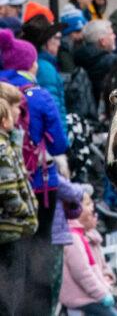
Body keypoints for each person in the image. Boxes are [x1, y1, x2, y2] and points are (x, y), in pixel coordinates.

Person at [0, 30, 71, 314]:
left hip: (7, 190)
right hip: (39, 187)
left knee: (10, 259)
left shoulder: (3, 91)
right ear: (29, 64)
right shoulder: (39, 96)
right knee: (39, 255)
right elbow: (60, 143)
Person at [0, 81, 38, 316]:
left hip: (14, 229)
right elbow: (7, 188)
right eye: (15, 108)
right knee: (9, 296)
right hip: (11, 229)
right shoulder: (2, 149)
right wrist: (25, 211)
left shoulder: (8, 144)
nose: (19, 113)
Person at [60, 189, 117, 316]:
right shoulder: (72, 238)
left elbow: (101, 267)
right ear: (75, 209)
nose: (93, 208)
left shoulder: (87, 235)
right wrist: (102, 294)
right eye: (87, 204)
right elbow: (83, 273)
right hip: (83, 299)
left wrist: (106, 281)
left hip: (95, 295)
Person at [20, 14, 67, 123]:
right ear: (46, 43)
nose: (59, 44)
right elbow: (54, 110)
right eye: (56, 38)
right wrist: (61, 138)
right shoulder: (45, 69)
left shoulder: (38, 64)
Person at [73, 20, 117, 103]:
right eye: (111, 34)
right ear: (103, 41)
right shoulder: (110, 62)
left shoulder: (80, 58)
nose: (114, 36)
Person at [58, 6, 88, 73]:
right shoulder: (63, 51)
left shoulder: (83, 45)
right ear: (67, 33)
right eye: (77, 31)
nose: (81, 36)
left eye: (82, 31)